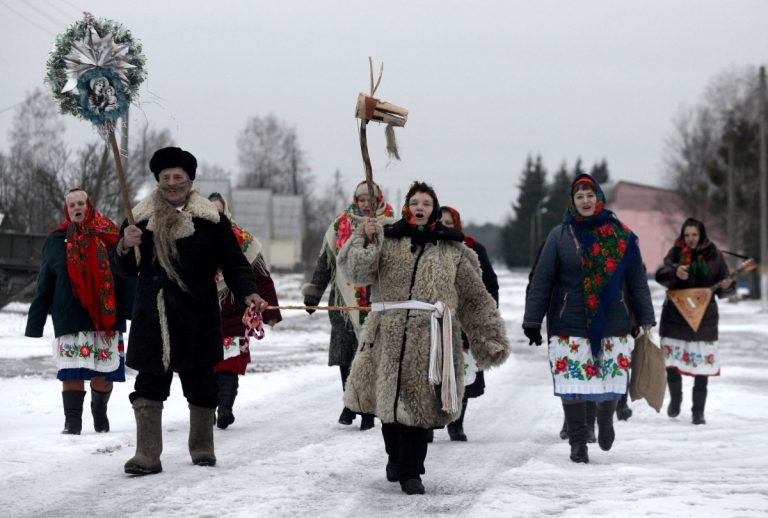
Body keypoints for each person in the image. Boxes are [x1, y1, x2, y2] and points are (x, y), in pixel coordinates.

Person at [337, 181, 510, 495]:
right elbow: (356, 272)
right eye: (415, 202)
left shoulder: (454, 251)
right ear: (406, 207)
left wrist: (489, 338)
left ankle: (412, 472)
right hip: (386, 333)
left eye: (426, 203)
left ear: (435, 210)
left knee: (417, 409)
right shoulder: (386, 241)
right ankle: (395, 458)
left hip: (430, 339)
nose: (420, 207)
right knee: (387, 407)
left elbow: (474, 298)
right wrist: (365, 238)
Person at [112, 147, 263, 475]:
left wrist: (248, 291)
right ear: (158, 181)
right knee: (150, 385)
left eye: (177, 177)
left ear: (189, 181)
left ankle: (202, 448)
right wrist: (125, 244)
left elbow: (233, 261)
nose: (171, 183)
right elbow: (123, 269)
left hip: (197, 315)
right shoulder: (138, 217)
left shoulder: (211, 219)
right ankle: (147, 455)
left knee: (200, 385)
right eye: (165, 178)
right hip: (154, 316)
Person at [523, 174, 655, 464]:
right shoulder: (559, 236)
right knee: (573, 383)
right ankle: (578, 442)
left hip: (613, 320)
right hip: (568, 320)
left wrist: (645, 316)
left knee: (609, 377)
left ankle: (606, 418)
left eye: (590, 194)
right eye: (579, 196)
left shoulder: (621, 235)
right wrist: (532, 320)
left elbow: (636, 280)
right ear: (572, 201)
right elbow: (542, 280)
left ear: (599, 198)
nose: (585, 200)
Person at [25, 188, 133, 435]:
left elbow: (127, 277)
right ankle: (72, 422)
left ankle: (99, 410)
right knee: (71, 370)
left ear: (89, 205)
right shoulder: (55, 241)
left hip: (106, 318)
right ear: (67, 209)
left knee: (103, 373)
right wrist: (35, 323)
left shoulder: (110, 237)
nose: (76, 208)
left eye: (81, 203)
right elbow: (45, 283)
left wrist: (131, 311)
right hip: (69, 315)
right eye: (72, 204)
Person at [302, 180, 395, 431]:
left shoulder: (392, 225)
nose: (366, 204)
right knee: (346, 355)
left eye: (370, 200)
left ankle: (366, 409)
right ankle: (349, 402)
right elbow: (326, 261)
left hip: (377, 300)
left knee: (368, 355)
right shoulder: (340, 225)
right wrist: (314, 292)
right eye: (361, 200)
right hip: (343, 302)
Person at [207, 192, 282, 429]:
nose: (215, 217)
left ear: (226, 213)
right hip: (204, 313)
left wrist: (271, 311)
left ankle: (225, 408)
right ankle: (206, 410)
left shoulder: (242, 240)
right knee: (205, 366)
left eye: (219, 212)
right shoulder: (192, 238)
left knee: (230, 363)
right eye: (210, 212)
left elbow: (261, 277)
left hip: (234, 311)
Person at [655, 217, 735, 425]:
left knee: (702, 368)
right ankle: (675, 400)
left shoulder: (715, 256)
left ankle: (698, 412)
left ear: (701, 235)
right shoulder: (675, 253)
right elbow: (660, 274)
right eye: (687, 235)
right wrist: (675, 272)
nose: (690, 239)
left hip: (704, 319)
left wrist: (727, 286)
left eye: (694, 235)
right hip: (675, 316)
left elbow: (726, 288)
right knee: (671, 363)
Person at [438, 205, 499, 442]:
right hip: (433, 320)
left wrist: (485, 315)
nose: (444, 227)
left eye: (449, 223)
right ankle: (428, 424)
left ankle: (456, 423)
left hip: (463, 322)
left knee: (461, 372)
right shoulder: (424, 249)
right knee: (432, 372)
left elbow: (490, 284)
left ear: (457, 225)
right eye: (440, 222)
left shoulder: (473, 249)